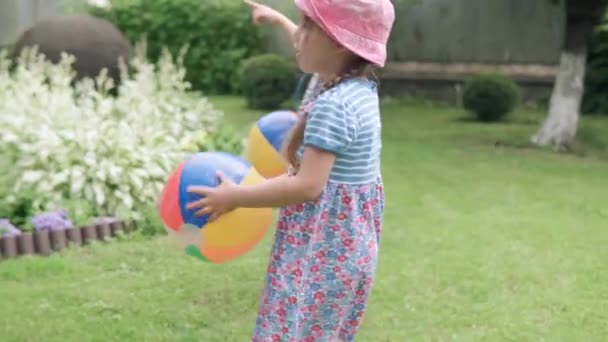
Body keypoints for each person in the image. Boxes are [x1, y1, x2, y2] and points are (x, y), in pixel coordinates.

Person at [187, 0, 395, 340]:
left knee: (294, 331)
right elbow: (317, 48)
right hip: (344, 249)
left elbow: (307, 186)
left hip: (323, 251)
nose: (298, 35)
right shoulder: (351, 86)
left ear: (339, 43)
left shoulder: (335, 105)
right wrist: (280, 20)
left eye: (307, 26)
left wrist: (235, 196)